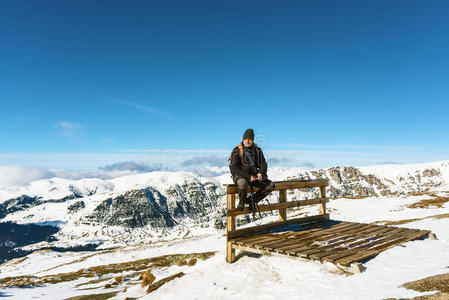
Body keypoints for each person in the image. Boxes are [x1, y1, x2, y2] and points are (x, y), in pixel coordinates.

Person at [229, 128, 275, 211]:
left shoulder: (257, 150)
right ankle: (242, 203)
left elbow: (263, 164)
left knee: (270, 185)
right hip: (239, 175)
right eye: (245, 139)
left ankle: (252, 200)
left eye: (249, 139)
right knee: (243, 183)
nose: (247, 141)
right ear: (243, 139)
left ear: (253, 140)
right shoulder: (237, 150)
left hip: (253, 175)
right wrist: (248, 176)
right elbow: (234, 167)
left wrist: (261, 173)